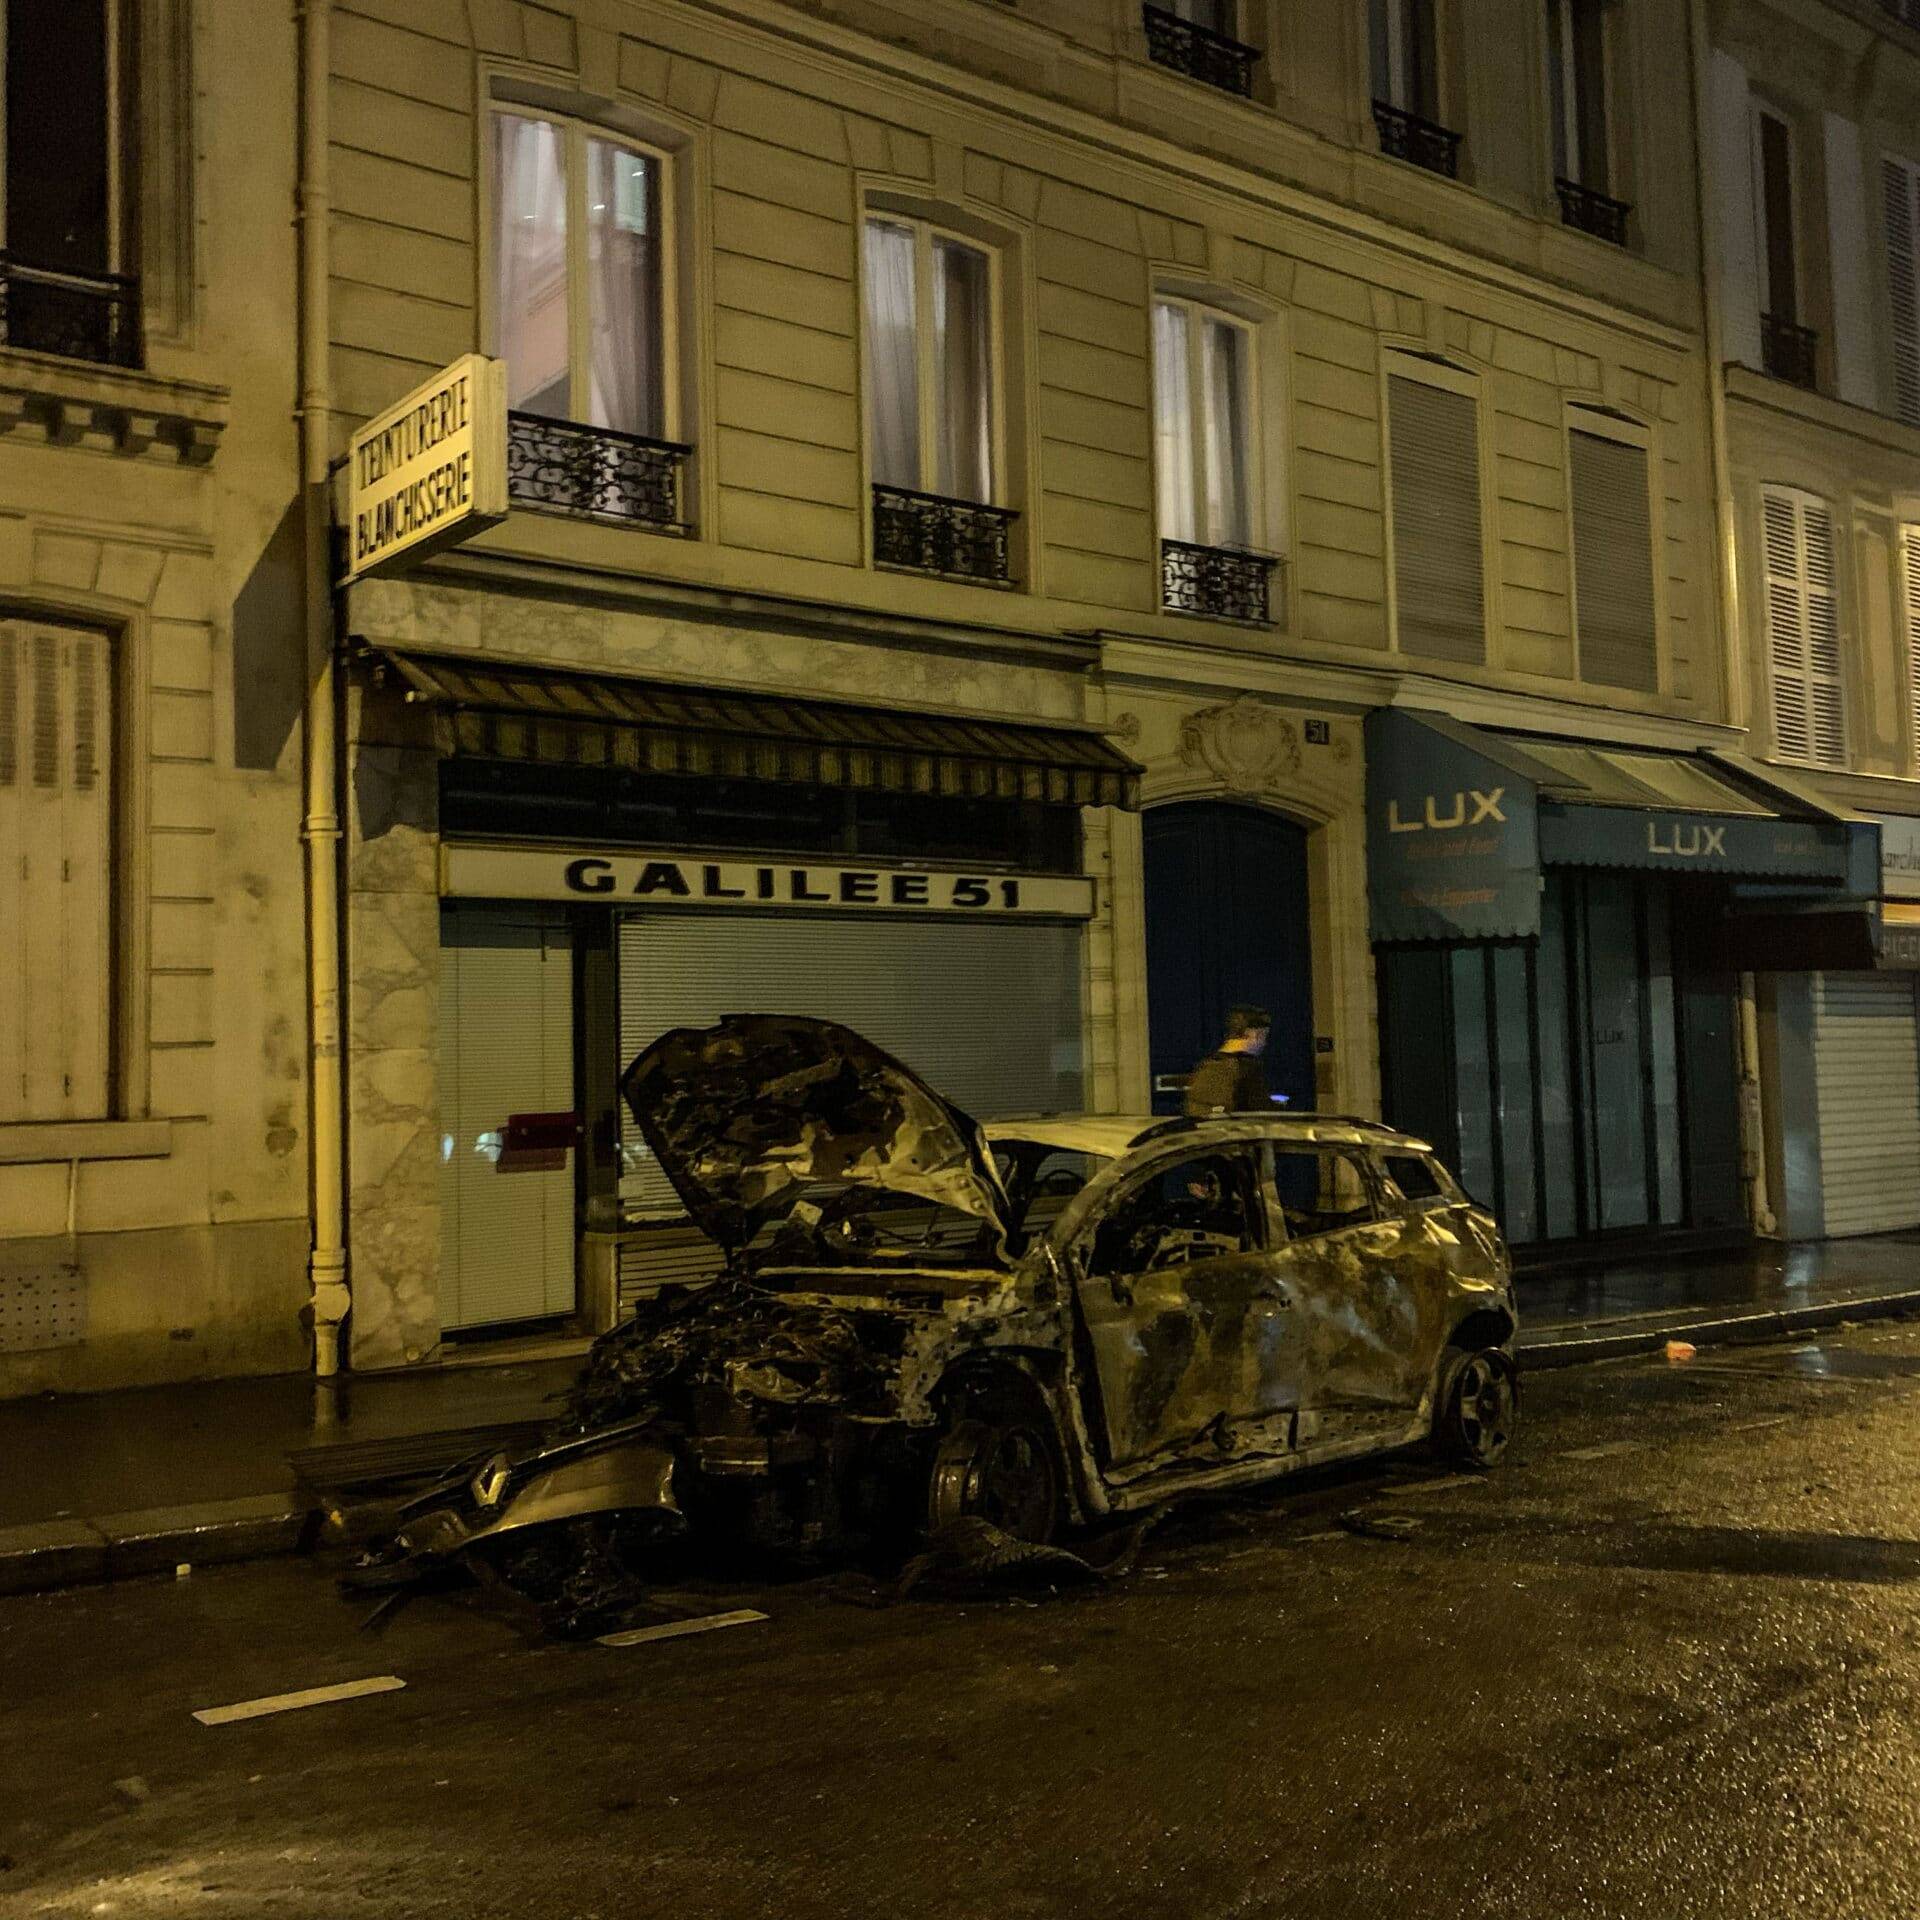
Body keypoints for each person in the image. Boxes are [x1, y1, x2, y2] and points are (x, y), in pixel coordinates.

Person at [1183, 1004, 1277, 1117]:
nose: (1264, 1044)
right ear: (1254, 1034)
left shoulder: (1206, 1066)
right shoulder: (1246, 1069)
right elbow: (1262, 1112)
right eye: (1264, 1036)